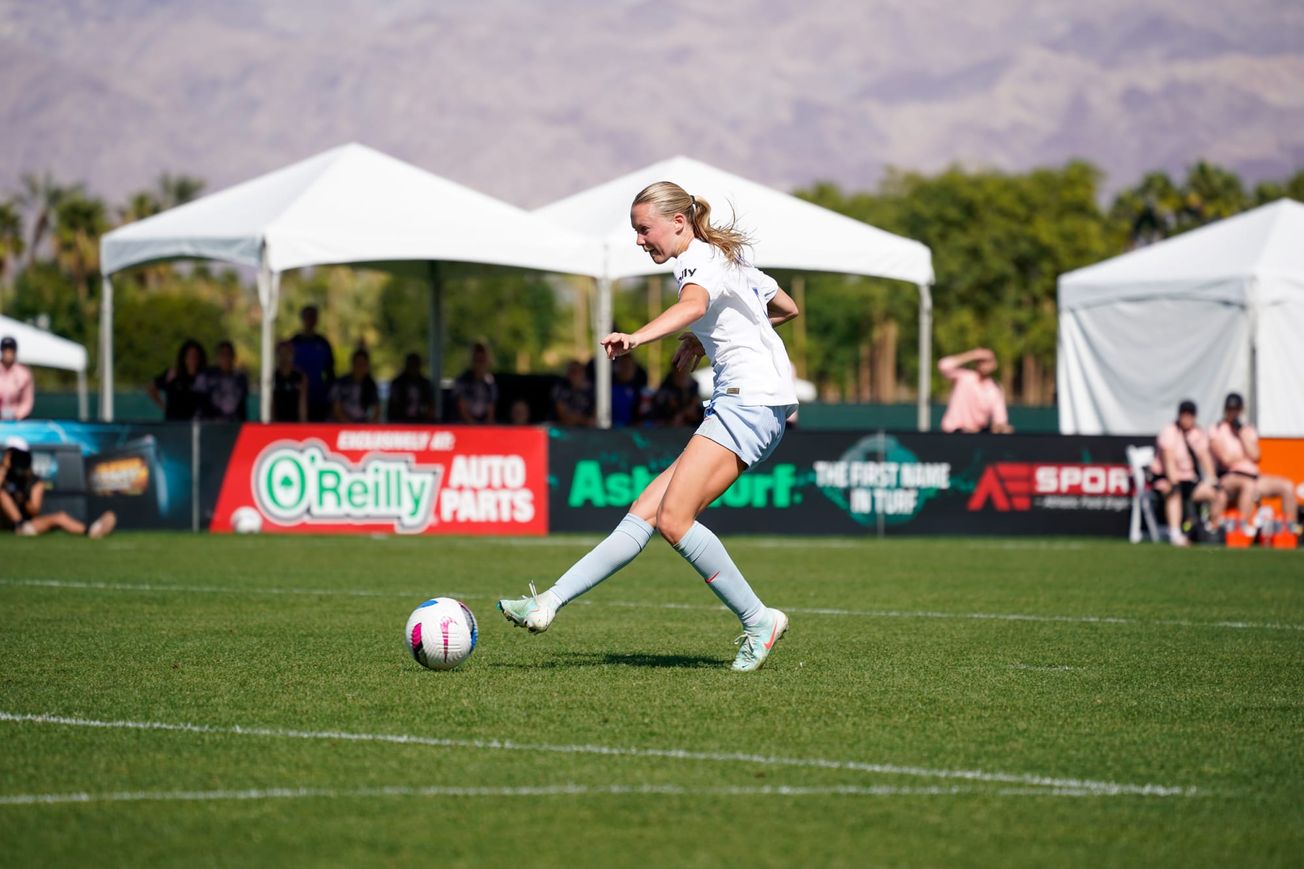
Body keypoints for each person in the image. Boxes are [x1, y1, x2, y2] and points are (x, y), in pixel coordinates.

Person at [498, 181, 800, 672]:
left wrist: (639, 337)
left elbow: (695, 305)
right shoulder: (729, 260)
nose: (640, 240)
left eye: (644, 229)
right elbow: (786, 309)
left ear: (677, 222)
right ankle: (547, 602)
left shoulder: (697, 263)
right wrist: (707, 340)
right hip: (754, 405)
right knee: (644, 512)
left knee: (675, 521)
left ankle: (758, 619)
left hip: (747, 404)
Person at [1209, 392, 1300, 534]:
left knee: (1287, 486)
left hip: (1253, 476)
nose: (1233, 413)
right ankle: (1242, 528)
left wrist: (1241, 434)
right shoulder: (1217, 429)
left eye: (1236, 409)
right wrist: (1242, 457)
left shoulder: (1247, 430)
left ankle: (1288, 528)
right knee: (1248, 485)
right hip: (1230, 477)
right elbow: (1226, 459)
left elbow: (1256, 455)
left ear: (1241, 410)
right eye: (1230, 409)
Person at [1, 437, 116, 539]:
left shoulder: (34, 482)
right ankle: (19, 525)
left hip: (27, 524)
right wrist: (4, 468)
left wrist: (23, 496)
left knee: (60, 517)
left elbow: (34, 510)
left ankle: (91, 530)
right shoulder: (3, 476)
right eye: (12, 455)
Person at [1149, 399, 1224, 547]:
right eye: (1184, 415)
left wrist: (1212, 480)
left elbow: (1204, 458)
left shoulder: (1197, 433)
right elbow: (1168, 459)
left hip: (1189, 481)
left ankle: (1209, 530)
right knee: (1174, 492)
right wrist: (1174, 482)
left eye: (1190, 415)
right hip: (1166, 478)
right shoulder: (1169, 431)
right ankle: (1175, 534)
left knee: (1218, 495)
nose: (1187, 419)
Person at [938, 347, 1012, 434]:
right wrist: (973, 355)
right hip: (952, 433)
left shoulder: (995, 389)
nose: (984, 364)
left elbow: (1000, 419)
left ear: (994, 364)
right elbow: (943, 365)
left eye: (988, 361)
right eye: (981, 361)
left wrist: (1001, 427)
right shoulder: (965, 377)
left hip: (975, 437)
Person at [291, 305, 335, 422]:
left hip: (318, 397)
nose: (310, 320)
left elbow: (330, 372)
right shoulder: (295, 342)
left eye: (313, 317)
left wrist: (328, 393)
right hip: (297, 397)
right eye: (307, 317)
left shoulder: (323, 343)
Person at [148, 339, 210, 420]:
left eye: (195, 356)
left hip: (195, 424)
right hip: (174, 424)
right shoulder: (173, 375)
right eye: (189, 356)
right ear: (184, 357)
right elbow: (151, 388)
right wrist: (163, 406)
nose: (192, 359)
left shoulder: (205, 378)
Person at [331, 348, 380, 423]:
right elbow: (336, 409)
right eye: (358, 363)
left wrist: (369, 425)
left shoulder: (370, 385)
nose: (360, 367)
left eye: (363, 364)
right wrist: (349, 425)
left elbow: (376, 409)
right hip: (341, 424)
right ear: (352, 364)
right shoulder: (341, 383)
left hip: (362, 423)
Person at [452, 342, 498, 424]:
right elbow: (461, 407)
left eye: (483, 360)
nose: (480, 364)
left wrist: (488, 429)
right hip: (463, 426)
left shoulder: (489, 381)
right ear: (472, 360)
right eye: (477, 360)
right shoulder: (463, 380)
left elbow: (490, 409)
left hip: (482, 426)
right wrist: (474, 428)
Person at [206, 340, 249, 422]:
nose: (225, 358)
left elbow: (243, 405)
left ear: (233, 357)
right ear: (217, 357)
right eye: (222, 354)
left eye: (228, 354)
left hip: (234, 424)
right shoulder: (208, 377)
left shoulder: (240, 378)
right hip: (212, 425)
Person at [387, 352, 436, 423]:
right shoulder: (398, 383)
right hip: (400, 421)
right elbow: (394, 407)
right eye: (412, 365)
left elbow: (431, 406)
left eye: (416, 365)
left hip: (420, 421)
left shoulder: (424, 383)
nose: (414, 368)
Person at [271, 340, 308, 423]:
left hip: (294, 422)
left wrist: (303, 423)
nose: (284, 357)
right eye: (281, 354)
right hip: (277, 421)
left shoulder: (300, 377)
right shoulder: (273, 376)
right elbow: (271, 403)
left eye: (287, 353)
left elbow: (302, 403)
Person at [551, 360, 595, 427]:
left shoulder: (593, 390)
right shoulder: (561, 388)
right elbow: (564, 417)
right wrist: (583, 420)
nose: (575, 375)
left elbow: (595, 418)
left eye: (579, 371)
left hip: (589, 430)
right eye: (572, 371)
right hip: (564, 429)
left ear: (584, 373)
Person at [0, 335, 34, 421]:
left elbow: (27, 401)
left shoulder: (23, 373)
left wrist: (17, 415)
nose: (8, 352)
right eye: (6, 349)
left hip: (17, 422)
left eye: (11, 349)